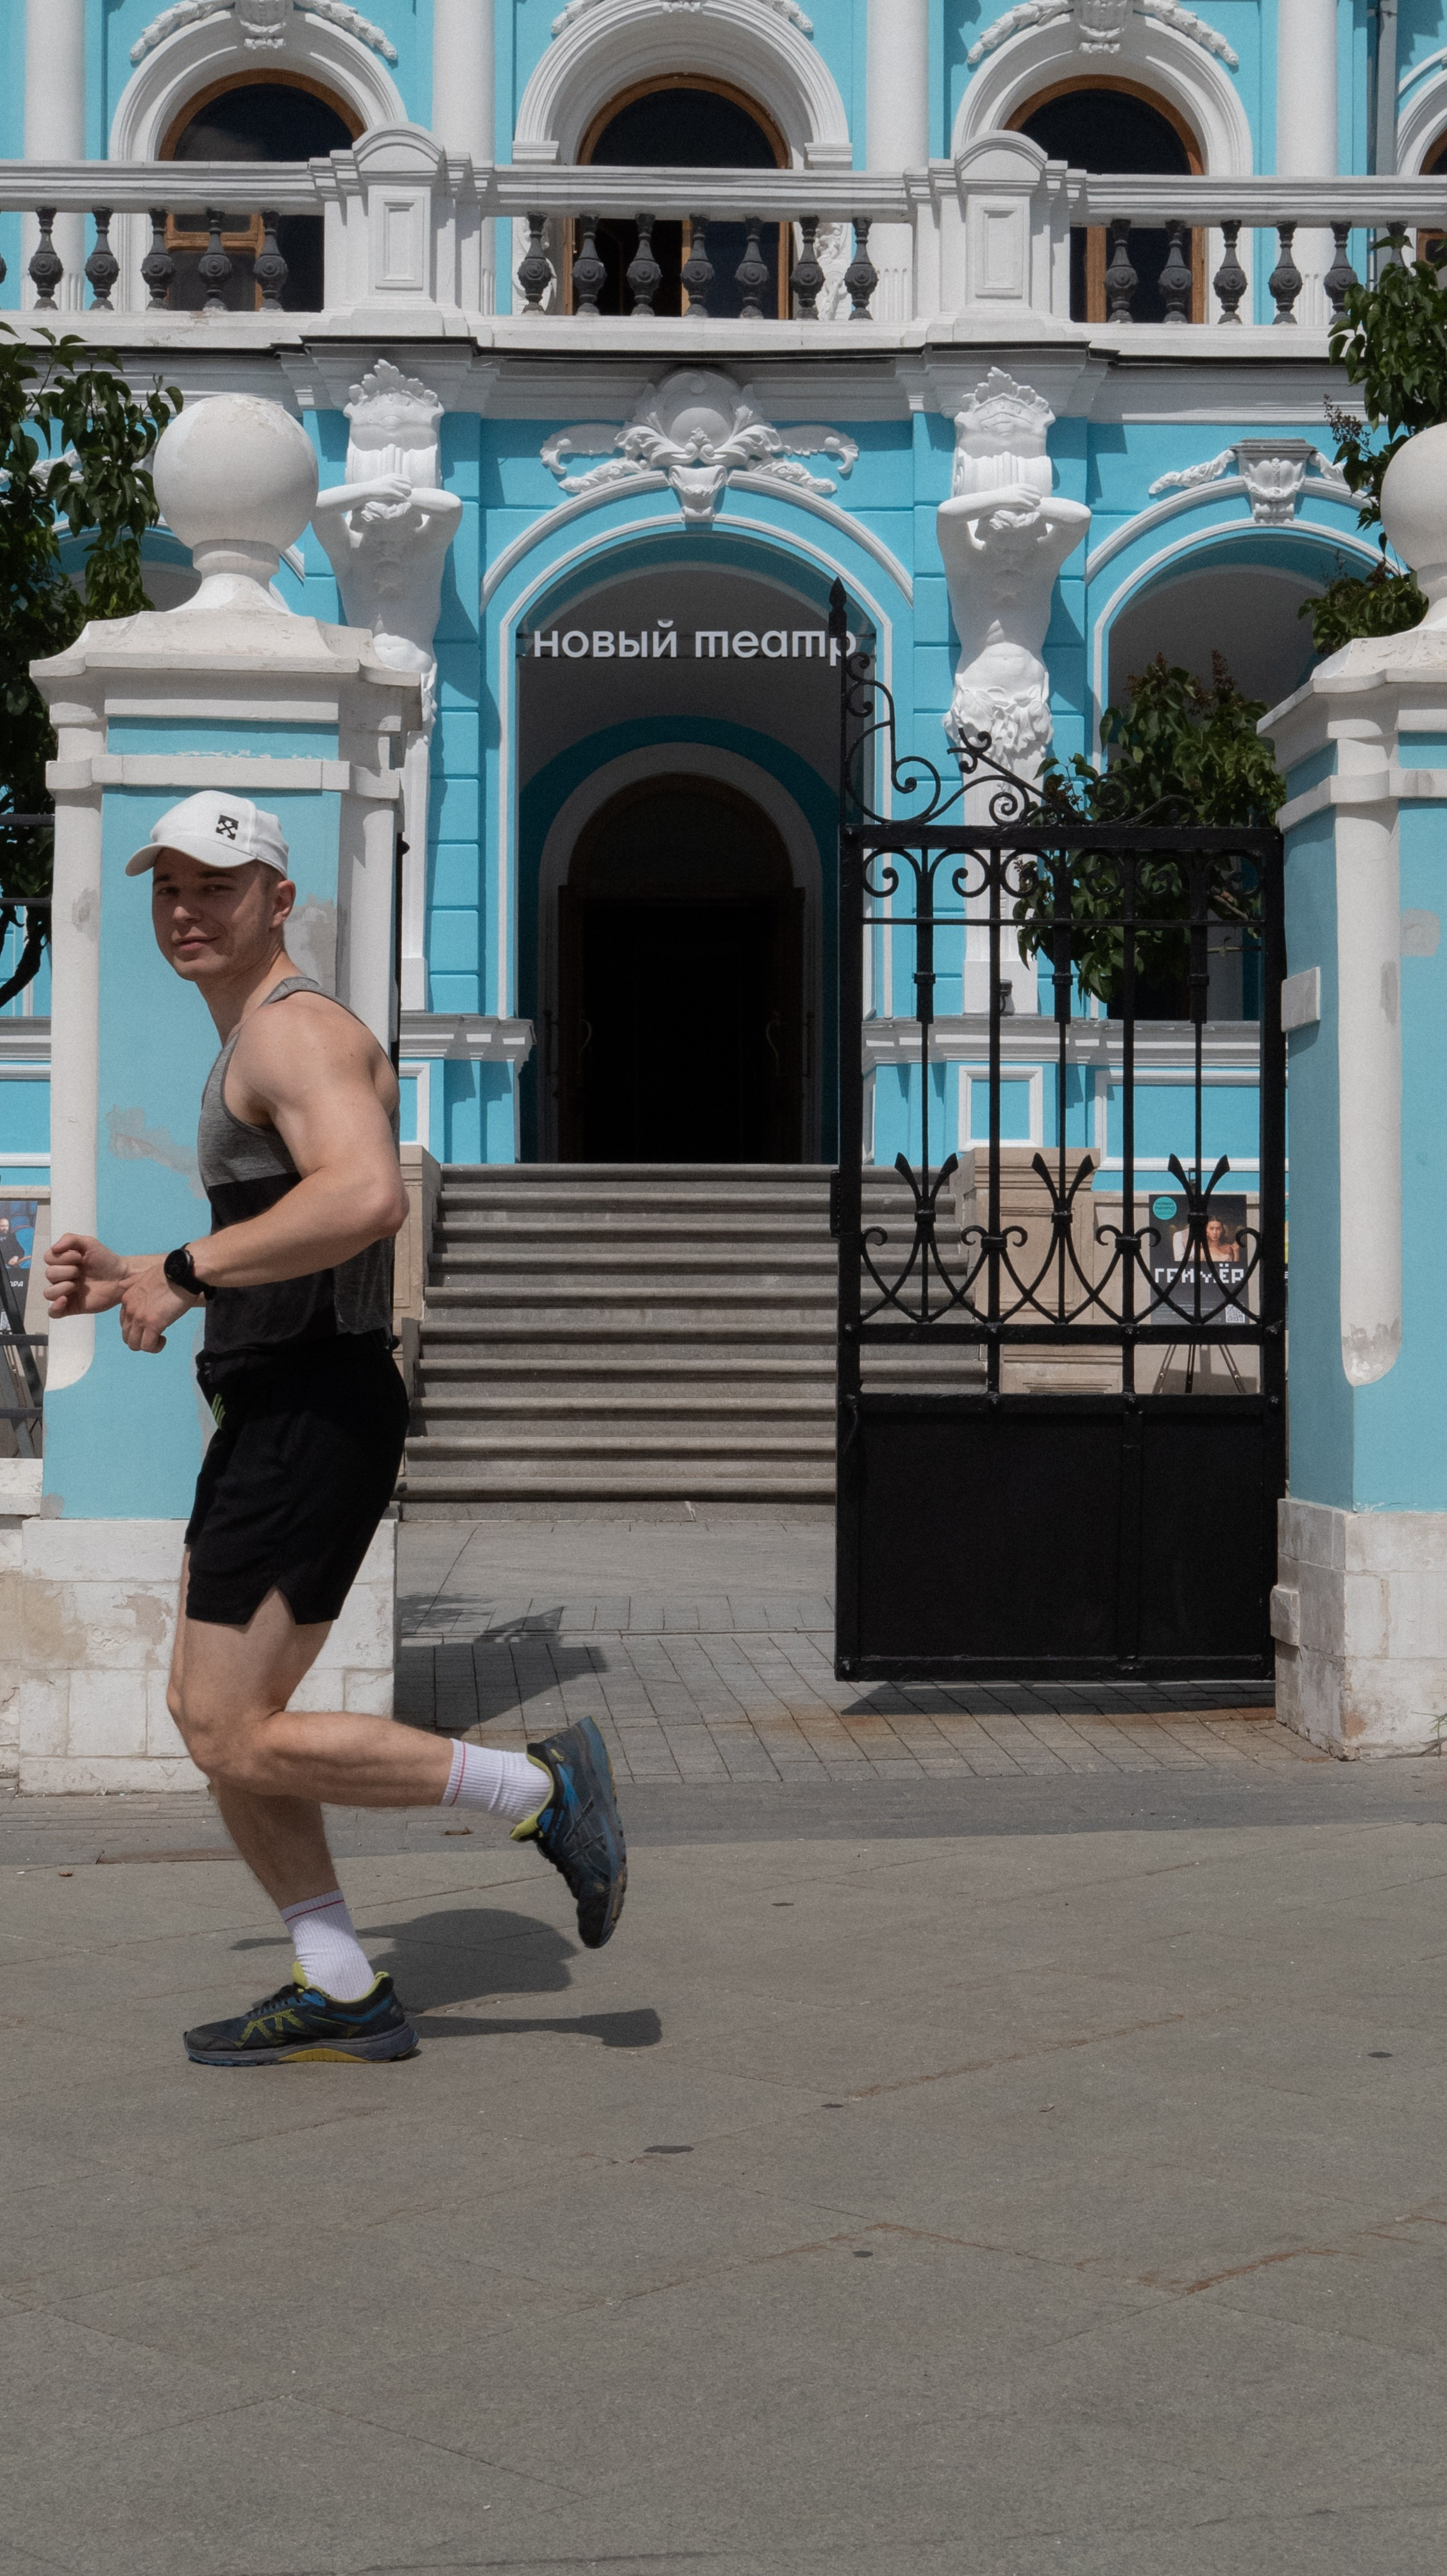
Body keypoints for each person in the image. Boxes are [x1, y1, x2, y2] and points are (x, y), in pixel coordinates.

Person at [45, 790, 625, 2067]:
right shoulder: (265, 1035)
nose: (187, 910)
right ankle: (338, 1976)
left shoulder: (290, 1035)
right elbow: (301, 1227)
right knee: (215, 1714)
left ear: (278, 899)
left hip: (313, 1408)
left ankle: (537, 1789)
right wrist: (141, 1270)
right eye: (169, 888)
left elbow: (366, 1197)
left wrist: (184, 1271)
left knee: (231, 1724)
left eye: (215, 885)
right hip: (283, 1403)